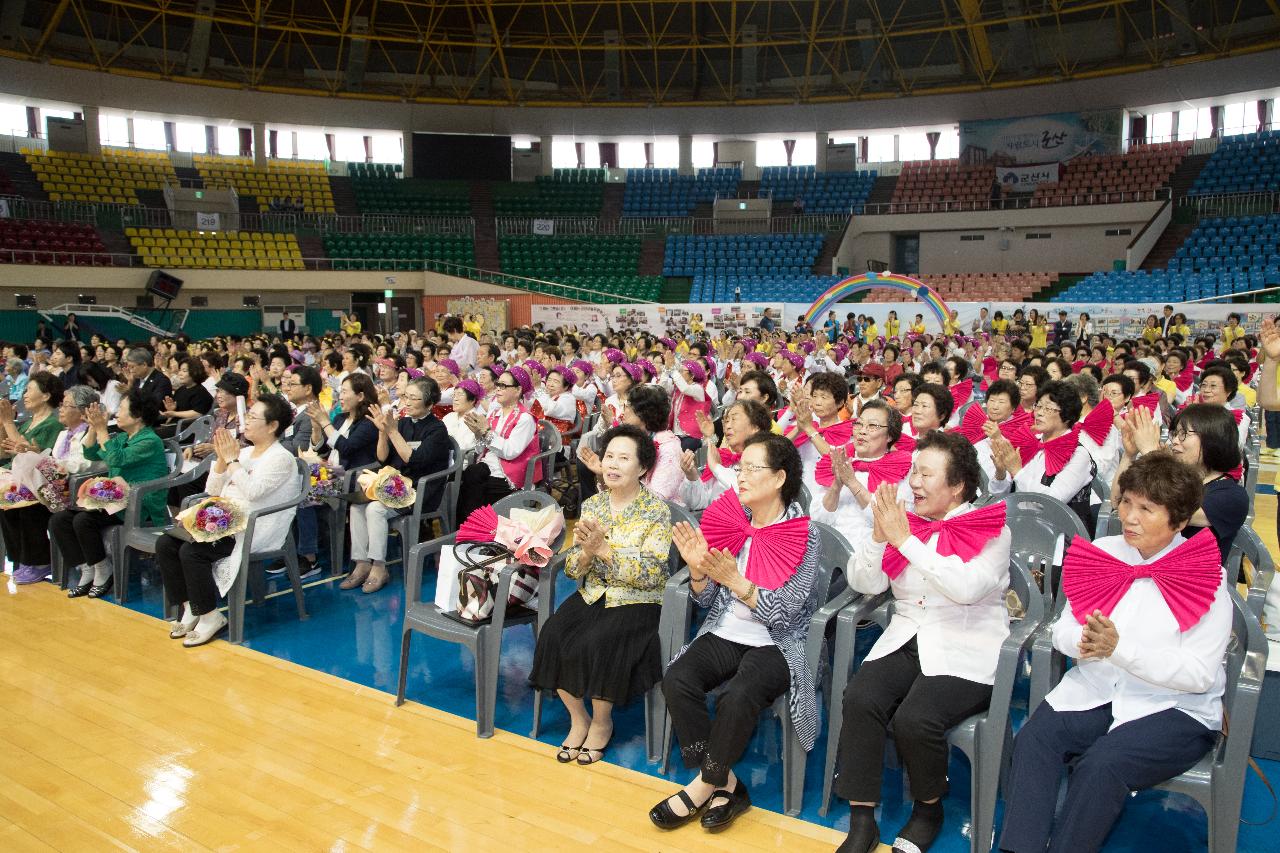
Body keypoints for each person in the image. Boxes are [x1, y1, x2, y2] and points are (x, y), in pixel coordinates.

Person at [999, 453, 1230, 853]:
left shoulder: (1206, 575)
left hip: (1174, 709)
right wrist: (1085, 644)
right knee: (1035, 738)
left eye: (1146, 508)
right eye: (1126, 502)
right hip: (1099, 688)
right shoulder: (1103, 552)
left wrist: (1121, 651)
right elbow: (1065, 630)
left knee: (1102, 765)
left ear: (1178, 520)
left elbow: (1199, 674)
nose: (1129, 516)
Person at [835, 431, 1011, 853]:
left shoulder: (991, 529)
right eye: (913, 470)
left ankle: (929, 809)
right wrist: (880, 538)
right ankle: (862, 820)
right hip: (907, 634)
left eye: (925, 474)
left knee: (915, 719)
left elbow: (967, 588)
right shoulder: (902, 521)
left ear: (957, 487)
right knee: (860, 698)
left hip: (966, 643)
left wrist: (906, 542)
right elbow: (865, 582)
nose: (913, 481)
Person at [652, 434, 822, 832]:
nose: (740, 477)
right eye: (739, 467)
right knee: (678, 678)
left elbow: (786, 613)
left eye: (751, 469)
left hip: (777, 642)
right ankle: (725, 783)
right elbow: (707, 599)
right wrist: (698, 571)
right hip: (727, 631)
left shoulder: (803, 533)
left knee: (738, 694)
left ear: (779, 478)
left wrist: (740, 584)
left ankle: (701, 786)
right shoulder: (732, 520)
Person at [529, 424, 671, 765]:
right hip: (595, 592)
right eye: (609, 456)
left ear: (642, 468)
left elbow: (653, 573)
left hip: (639, 599)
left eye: (624, 458)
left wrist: (606, 551)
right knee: (554, 634)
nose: (613, 465)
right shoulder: (592, 506)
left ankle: (603, 723)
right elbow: (574, 570)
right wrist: (589, 553)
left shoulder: (657, 511)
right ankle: (581, 719)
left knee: (599, 640)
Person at [157, 394, 303, 647]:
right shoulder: (244, 452)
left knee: (192, 552)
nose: (246, 421)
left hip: (252, 527)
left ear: (272, 426)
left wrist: (233, 460)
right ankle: (193, 606)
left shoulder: (281, 457)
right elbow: (213, 490)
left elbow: (254, 492)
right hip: (225, 521)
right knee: (166, 545)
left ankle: (209, 616)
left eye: (254, 417)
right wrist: (222, 461)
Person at [53, 389, 168, 599]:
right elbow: (89, 452)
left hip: (140, 504)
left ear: (138, 415)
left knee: (83, 521)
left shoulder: (150, 440)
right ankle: (88, 568)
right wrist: (92, 427)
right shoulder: (125, 436)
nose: (117, 413)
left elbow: (116, 459)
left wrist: (102, 429)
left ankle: (103, 570)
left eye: (122, 409)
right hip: (115, 501)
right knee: (60, 520)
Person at [345, 377, 450, 594]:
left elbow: (414, 460)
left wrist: (392, 431)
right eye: (405, 397)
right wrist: (383, 432)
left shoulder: (437, 430)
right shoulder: (402, 423)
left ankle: (379, 567)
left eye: (414, 398)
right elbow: (383, 458)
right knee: (356, 507)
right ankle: (361, 562)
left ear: (429, 403)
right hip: (395, 487)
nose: (408, 402)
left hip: (420, 491)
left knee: (374, 509)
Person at [1115, 403, 1246, 565]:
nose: (1175, 441)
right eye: (1175, 433)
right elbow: (1117, 500)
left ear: (1213, 439)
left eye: (1184, 434)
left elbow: (1171, 510)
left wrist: (1151, 453)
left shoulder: (1232, 496)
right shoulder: (1178, 478)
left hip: (1187, 579)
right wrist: (1129, 455)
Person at [988, 379, 1096, 534]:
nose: (1038, 412)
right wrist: (1000, 473)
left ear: (1066, 415)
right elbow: (999, 495)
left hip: (1059, 533)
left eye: (1048, 409)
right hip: (1020, 522)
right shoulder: (1030, 442)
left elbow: (1053, 501)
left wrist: (1017, 471)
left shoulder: (1079, 454)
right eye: (1038, 406)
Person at [813, 399, 912, 551]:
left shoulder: (899, 469)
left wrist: (853, 483)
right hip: (826, 550)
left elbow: (891, 526)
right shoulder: (841, 461)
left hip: (867, 555)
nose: (862, 431)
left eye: (872, 426)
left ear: (890, 436)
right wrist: (837, 485)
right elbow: (818, 519)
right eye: (859, 424)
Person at [455, 366, 541, 521]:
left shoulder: (525, 419)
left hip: (510, 474)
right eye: (498, 385)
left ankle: (473, 531)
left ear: (518, 390)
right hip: (488, 467)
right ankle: (470, 531)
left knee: (473, 483)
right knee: (469, 476)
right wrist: (478, 433)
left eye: (503, 386)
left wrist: (486, 432)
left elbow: (510, 452)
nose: (498, 389)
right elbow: (481, 450)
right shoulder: (495, 413)